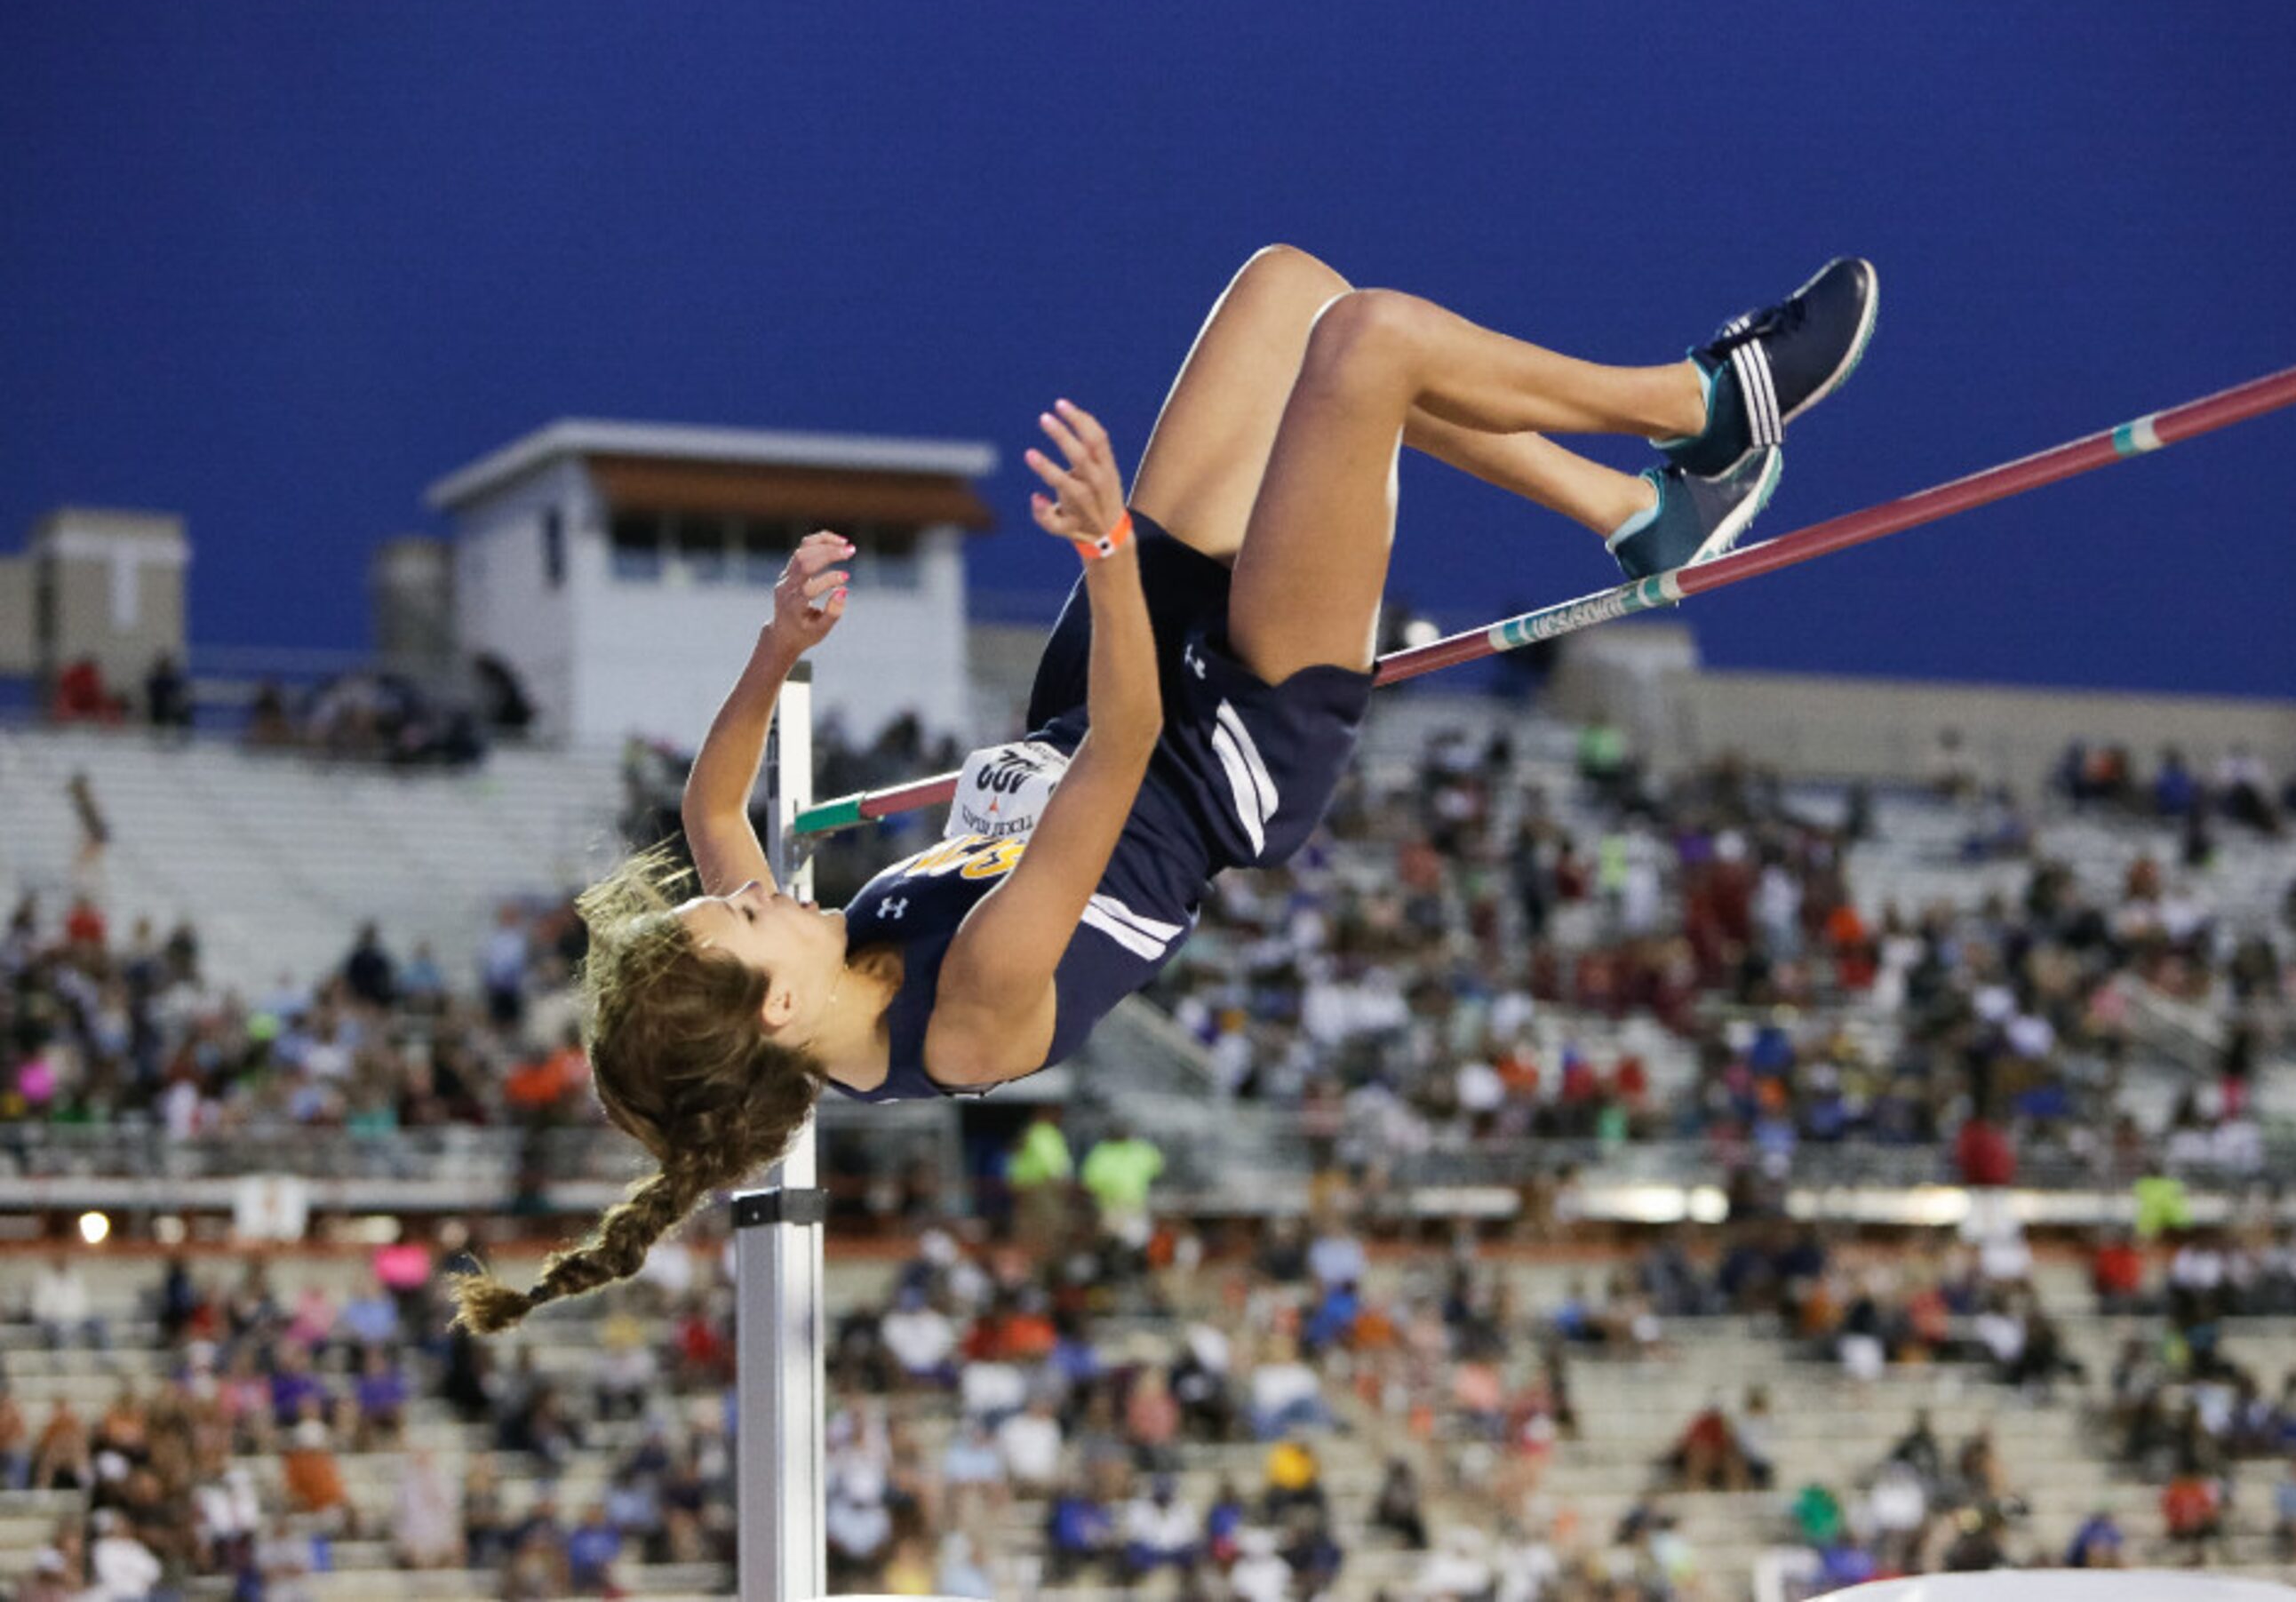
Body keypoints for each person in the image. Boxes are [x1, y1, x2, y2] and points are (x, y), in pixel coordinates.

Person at [450, 244, 1877, 1331]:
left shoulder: (804, 968)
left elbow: (711, 810)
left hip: (1110, 683)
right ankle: (1698, 407)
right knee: (1367, 350)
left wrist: (774, 650)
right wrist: (1106, 553)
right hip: (1228, 740)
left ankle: (1639, 514)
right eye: (743, 920)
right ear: (772, 1005)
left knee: (1292, 294)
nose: (750, 889)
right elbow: (1131, 751)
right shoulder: (971, 1016)